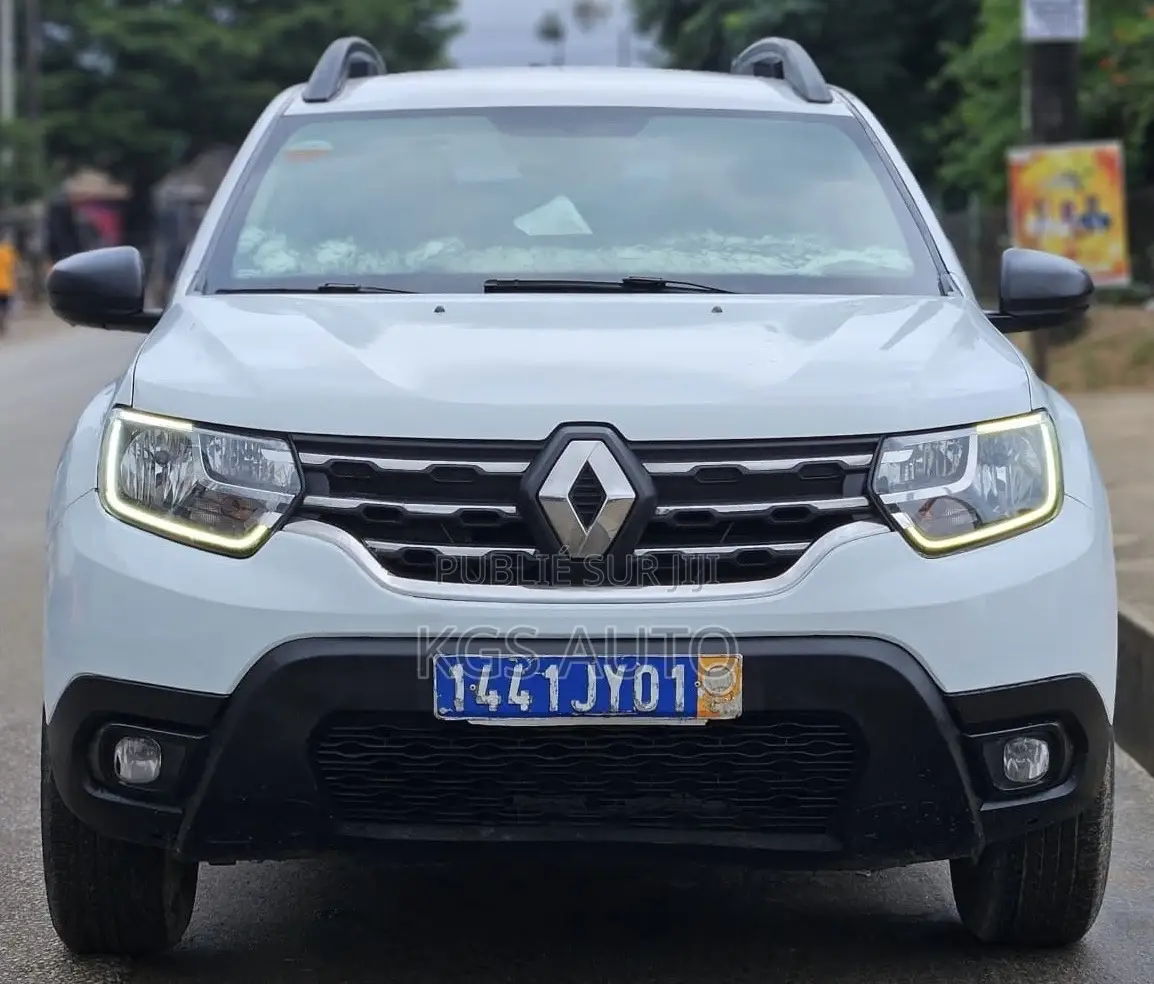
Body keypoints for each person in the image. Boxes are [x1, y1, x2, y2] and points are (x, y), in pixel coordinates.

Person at [0, 228, 20, 337]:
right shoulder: (9, 250)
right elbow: (13, 269)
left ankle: (2, 323)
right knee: (6, 307)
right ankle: (3, 324)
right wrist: (15, 283)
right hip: (6, 284)